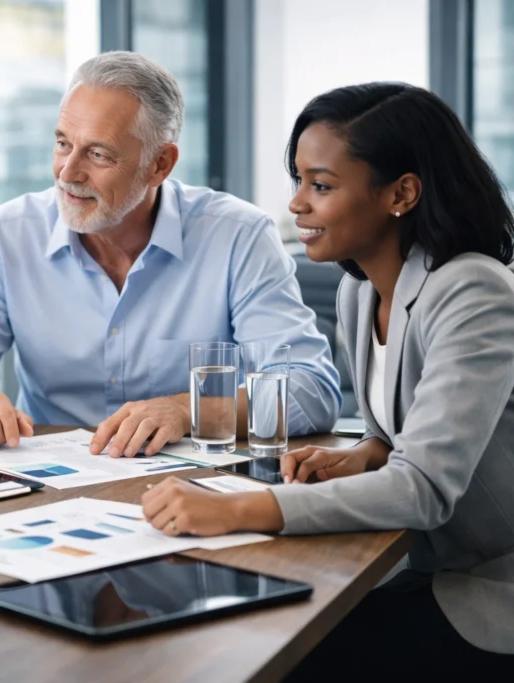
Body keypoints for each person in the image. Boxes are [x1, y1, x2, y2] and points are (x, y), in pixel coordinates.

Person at [141, 83, 514, 678]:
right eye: (297, 181)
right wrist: (369, 452)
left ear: (401, 193)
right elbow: (400, 435)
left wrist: (242, 508)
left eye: (321, 185)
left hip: (493, 590)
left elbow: (423, 488)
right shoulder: (359, 291)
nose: (295, 205)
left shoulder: (473, 291)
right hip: (432, 568)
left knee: (269, 655)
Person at [0, 51, 340, 456]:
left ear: (160, 165)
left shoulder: (237, 235)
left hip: (191, 489)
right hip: (49, 490)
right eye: (62, 143)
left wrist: (186, 409)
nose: (68, 173)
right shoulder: (7, 235)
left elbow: (309, 388)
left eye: (98, 153)